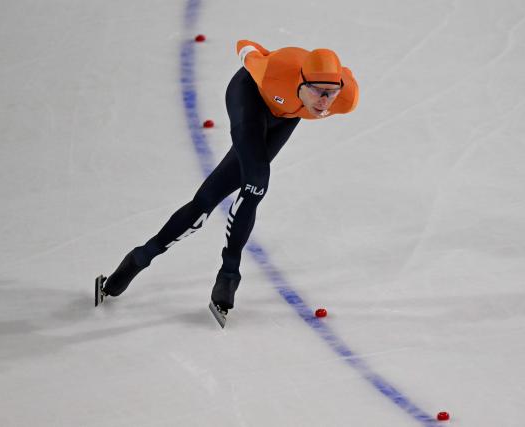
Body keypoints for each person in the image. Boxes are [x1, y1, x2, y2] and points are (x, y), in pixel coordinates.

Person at [95, 40, 359, 324]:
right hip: (250, 97)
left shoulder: (345, 99)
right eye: (319, 92)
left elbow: (328, 96)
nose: (325, 102)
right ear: (302, 82)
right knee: (256, 179)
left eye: (332, 93)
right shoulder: (272, 71)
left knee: (215, 196)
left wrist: (323, 96)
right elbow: (246, 48)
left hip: (286, 114)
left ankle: (139, 260)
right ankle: (225, 273)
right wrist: (254, 52)